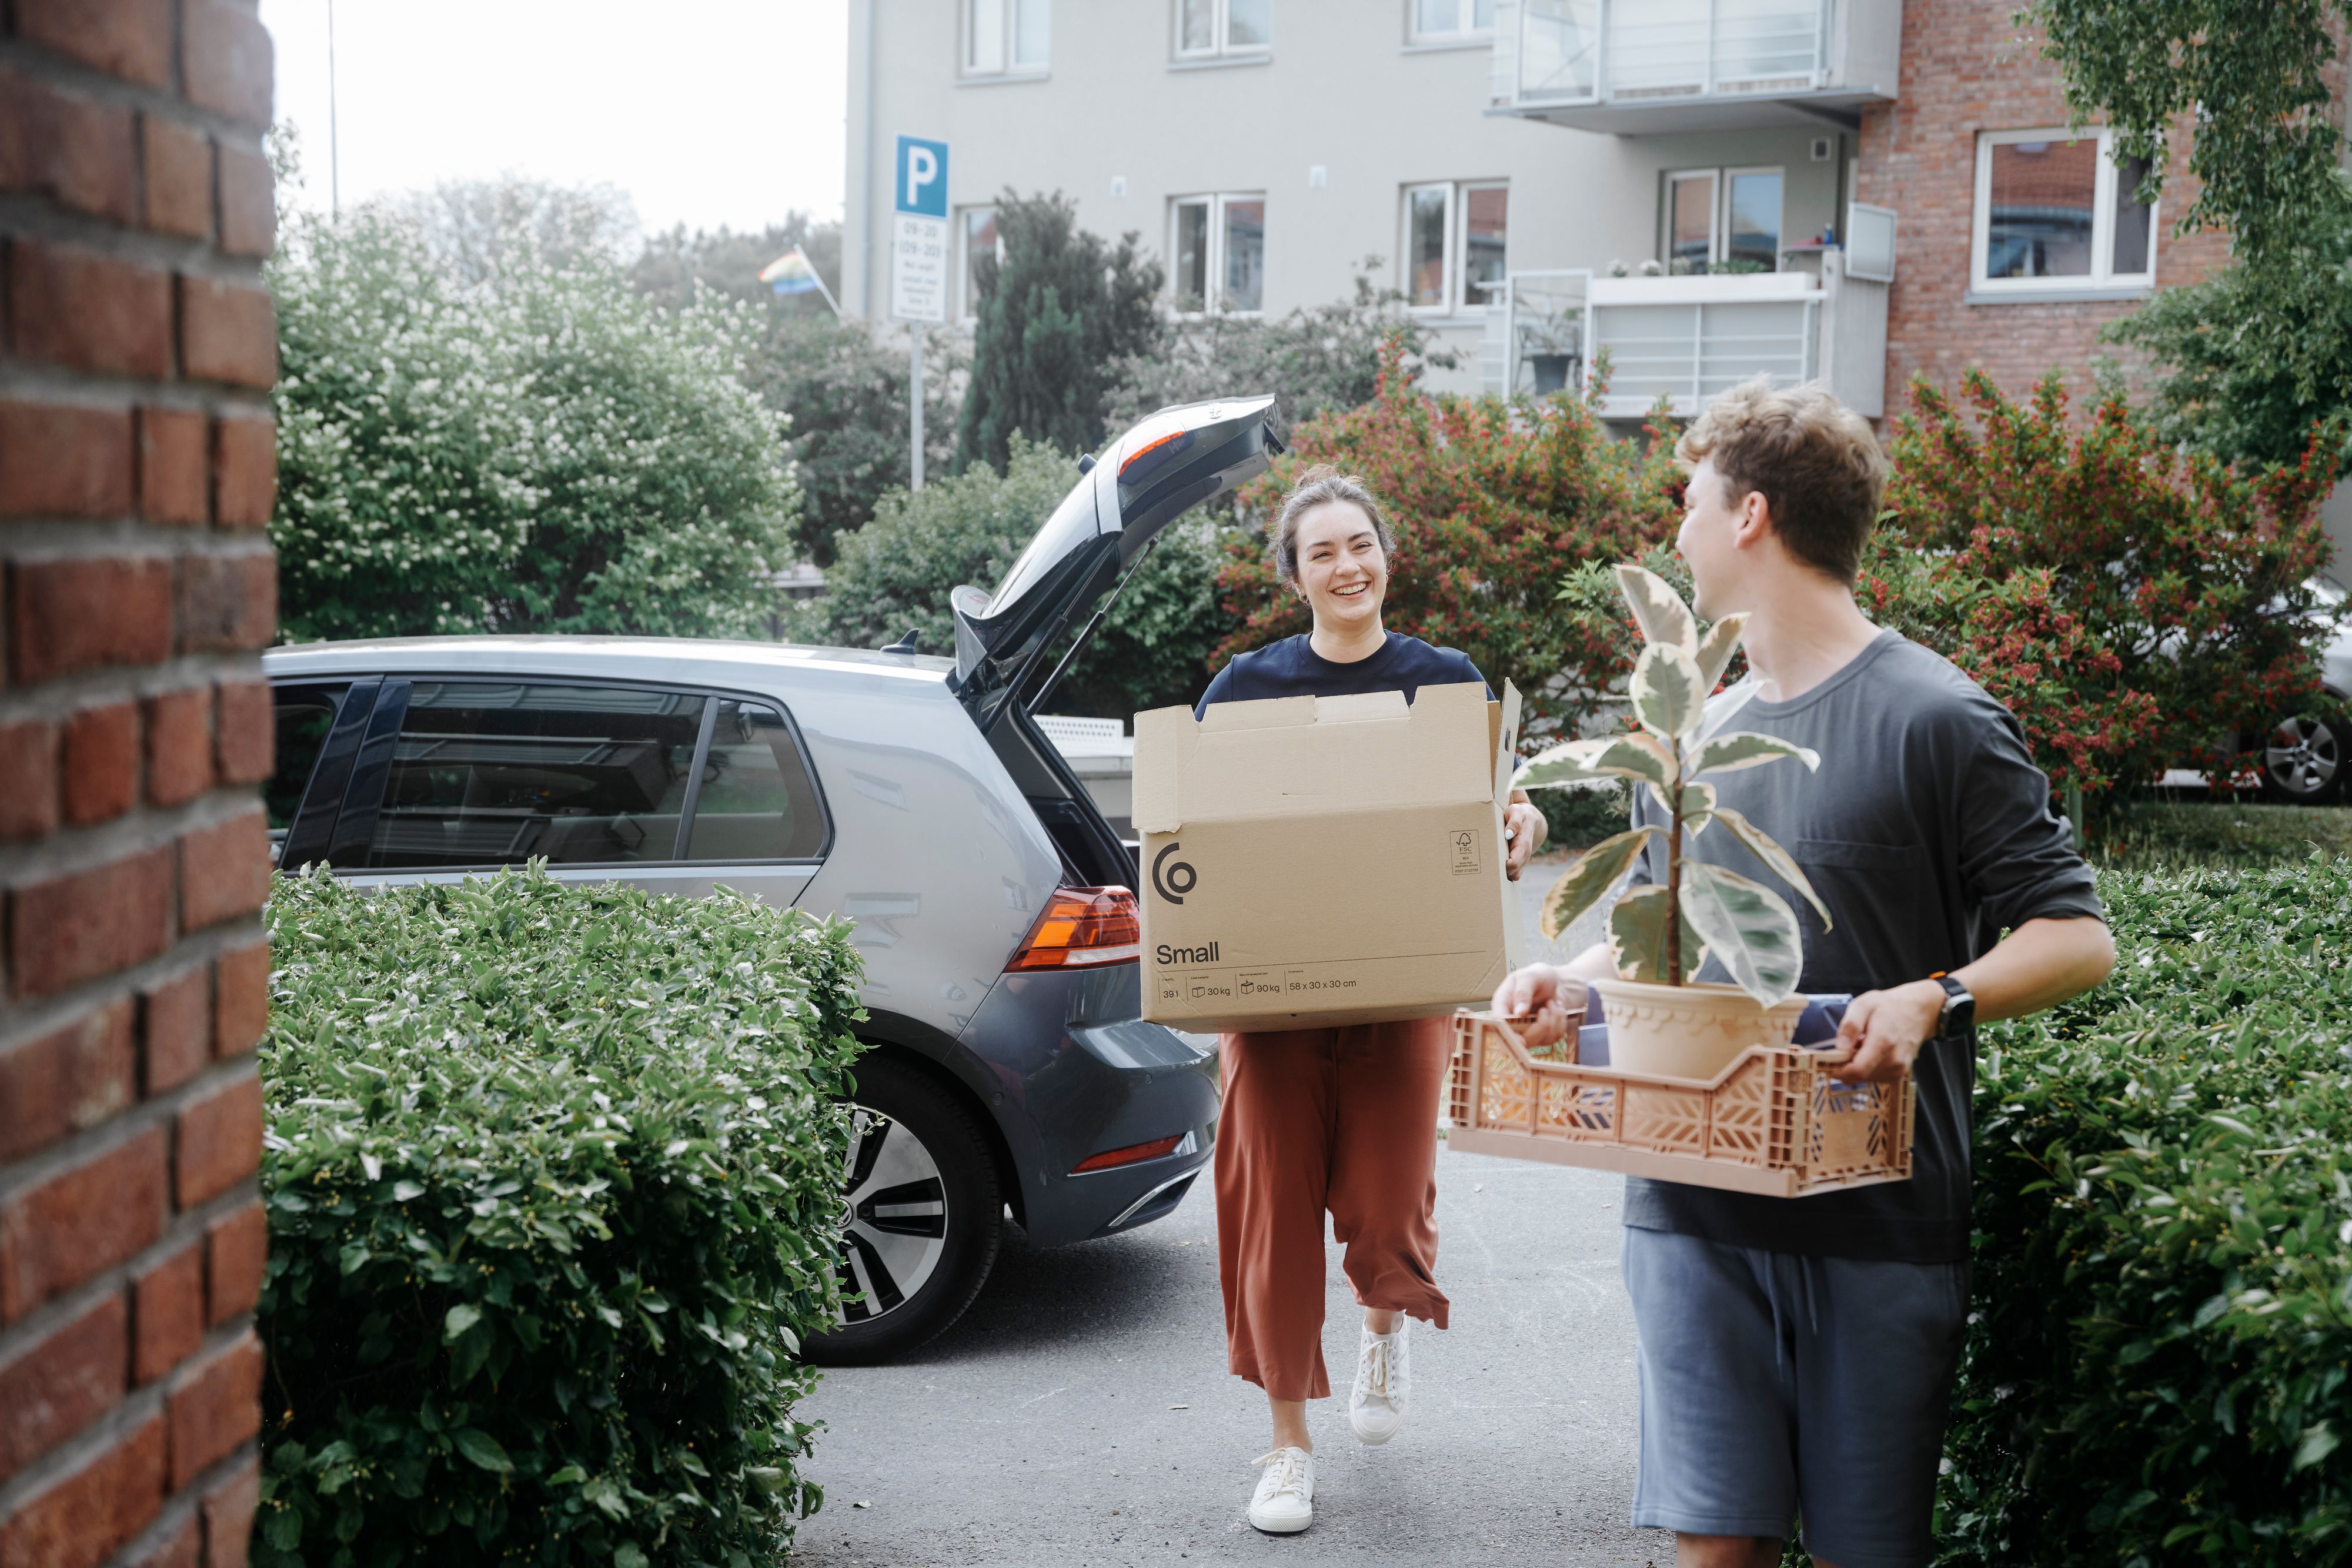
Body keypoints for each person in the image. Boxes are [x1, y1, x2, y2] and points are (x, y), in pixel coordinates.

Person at [1492, 379, 2114, 1568]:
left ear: (1749, 515)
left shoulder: (1939, 718)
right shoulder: (1691, 743)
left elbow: (2074, 933)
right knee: (1714, 1551)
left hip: (1879, 1223)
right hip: (1688, 1207)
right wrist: (1563, 980)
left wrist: (1936, 994)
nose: (1672, 528)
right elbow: (1650, 922)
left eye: (1688, 497)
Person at [1204, 464, 1548, 1534]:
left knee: (1392, 1198)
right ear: (1295, 574)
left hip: (1404, 987)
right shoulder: (1246, 689)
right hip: (1272, 1001)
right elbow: (1199, 831)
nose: (1346, 566)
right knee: (1274, 1213)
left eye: (1360, 545)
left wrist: (1521, 824)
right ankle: (1286, 1445)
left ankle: (1383, 1321)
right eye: (1323, 552)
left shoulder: (1445, 679)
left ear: (1385, 557)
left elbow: (1498, 802)